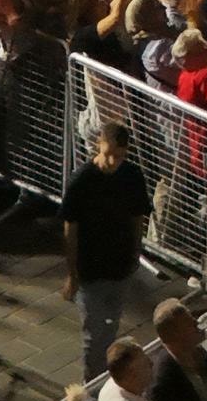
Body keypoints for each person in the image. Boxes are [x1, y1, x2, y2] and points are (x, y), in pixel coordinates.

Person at [63, 120, 157, 375]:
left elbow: (137, 217)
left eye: (119, 156)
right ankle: (92, 387)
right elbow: (71, 228)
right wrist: (72, 273)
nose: (113, 162)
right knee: (94, 335)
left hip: (120, 266)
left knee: (110, 327)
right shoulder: (81, 181)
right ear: (98, 146)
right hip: (90, 269)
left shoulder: (132, 176)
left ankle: (105, 378)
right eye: (109, 155)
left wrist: (135, 253)